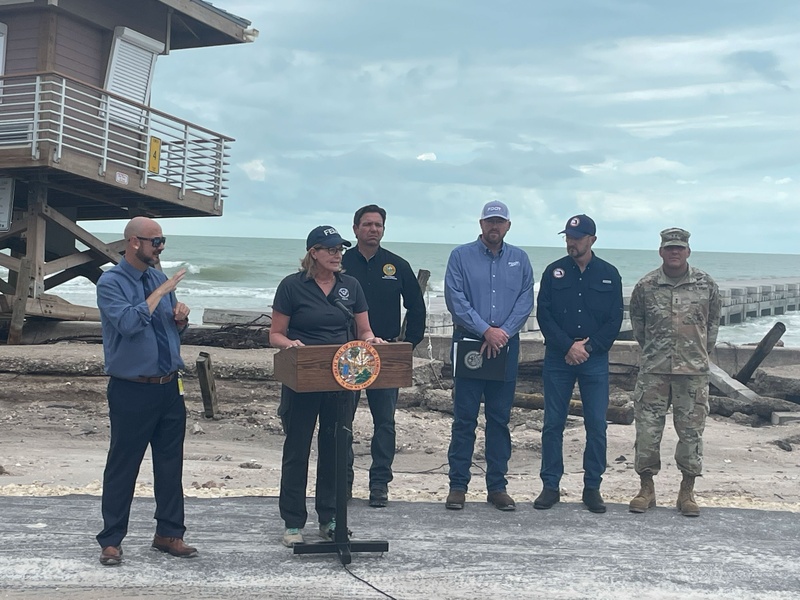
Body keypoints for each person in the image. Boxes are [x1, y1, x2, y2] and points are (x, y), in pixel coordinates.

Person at [270, 225, 385, 547]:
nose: (338, 255)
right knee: (297, 449)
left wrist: (371, 339)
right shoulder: (292, 286)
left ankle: (330, 518)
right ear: (314, 253)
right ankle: (293, 522)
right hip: (303, 377)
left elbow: (363, 330)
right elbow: (275, 334)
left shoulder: (351, 286)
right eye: (331, 249)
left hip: (342, 378)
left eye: (340, 250)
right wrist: (291, 344)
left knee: (335, 450)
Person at [95, 216, 196, 566]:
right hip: (131, 388)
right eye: (156, 241)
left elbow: (167, 332)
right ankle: (111, 539)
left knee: (170, 464)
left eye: (163, 240)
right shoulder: (111, 282)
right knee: (124, 464)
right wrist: (161, 293)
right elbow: (127, 324)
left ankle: (169, 533)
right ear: (134, 243)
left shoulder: (158, 279)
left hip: (169, 385)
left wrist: (180, 318)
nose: (161, 247)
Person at [443, 200, 534, 511]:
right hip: (470, 343)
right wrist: (486, 331)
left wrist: (502, 333)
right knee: (464, 418)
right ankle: (458, 485)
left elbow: (525, 300)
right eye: (489, 221)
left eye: (500, 222)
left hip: (505, 347)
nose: (494, 227)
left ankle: (497, 486)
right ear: (480, 224)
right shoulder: (460, 256)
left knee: (499, 419)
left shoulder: (520, 259)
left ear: (508, 225)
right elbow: (455, 298)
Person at [628, 227, 721, 517]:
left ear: (688, 251)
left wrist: (694, 353)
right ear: (661, 251)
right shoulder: (646, 286)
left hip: (692, 372)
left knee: (691, 434)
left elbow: (713, 326)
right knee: (647, 432)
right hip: (654, 371)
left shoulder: (706, 285)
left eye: (679, 247)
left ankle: (687, 492)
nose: (675, 252)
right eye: (670, 247)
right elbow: (639, 326)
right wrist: (659, 353)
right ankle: (646, 489)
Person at [534, 214, 623, 513]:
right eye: (569, 237)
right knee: (552, 424)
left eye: (578, 238)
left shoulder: (609, 274)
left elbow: (615, 319)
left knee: (596, 425)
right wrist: (568, 346)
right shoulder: (553, 271)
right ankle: (550, 486)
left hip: (594, 358)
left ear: (592, 240)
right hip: (559, 357)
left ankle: (592, 487)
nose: (572, 242)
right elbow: (544, 315)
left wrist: (589, 346)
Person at [341, 204, 426, 508]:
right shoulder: (341, 262)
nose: (372, 229)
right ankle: (343, 482)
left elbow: (417, 307)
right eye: (366, 224)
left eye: (378, 225)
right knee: (342, 421)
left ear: (384, 229)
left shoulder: (396, 265)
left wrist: (409, 345)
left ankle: (379, 484)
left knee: (385, 423)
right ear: (355, 229)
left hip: (386, 352)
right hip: (346, 353)